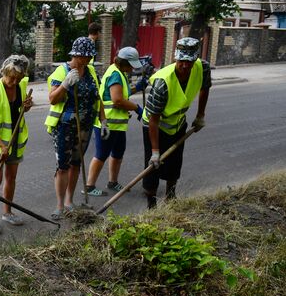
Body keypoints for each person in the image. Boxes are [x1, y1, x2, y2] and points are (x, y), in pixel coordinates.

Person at [44, 36, 109, 220]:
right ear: (76, 54)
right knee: (63, 166)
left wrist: (103, 121)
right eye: (85, 56)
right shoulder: (61, 71)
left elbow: (98, 98)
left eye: (90, 57)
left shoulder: (91, 73)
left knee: (76, 164)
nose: (88, 60)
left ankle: (69, 201)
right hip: (65, 127)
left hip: (85, 126)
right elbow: (52, 99)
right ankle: (59, 205)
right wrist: (65, 84)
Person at [142, 37, 211, 208]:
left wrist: (200, 114)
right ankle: (151, 205)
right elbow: (153, 120)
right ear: (176, 58)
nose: (185, 65)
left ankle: (171, 199)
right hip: (155, 127)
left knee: (175, 163)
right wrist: (156, 151)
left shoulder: (203, 68)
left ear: (195, 59)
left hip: (179, 124)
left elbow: (205, 88)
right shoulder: (162, 83)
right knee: (153, 167)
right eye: (182, 60)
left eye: (189, 60)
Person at [84, 46, 147, 196]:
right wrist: (137, 108)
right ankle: (89, 186)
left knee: (118, 153)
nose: (132, 68)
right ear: (123, 62)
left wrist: (137, 88)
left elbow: (122, 93)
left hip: (117, 125)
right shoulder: (115, 75)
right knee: (102, 154)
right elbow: (118, 100)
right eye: (130, 65)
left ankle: (113, 182)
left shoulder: (120, 72)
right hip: (107, 123)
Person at [0, 55, 33, 234]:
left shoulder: (21, 85)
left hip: (16, 140)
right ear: (4, 72)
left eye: (18, 79)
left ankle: (7, 212)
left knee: (11, 178)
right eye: (11, 77)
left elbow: (20, 110)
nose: (14, 82)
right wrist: (2, 145)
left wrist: (27, 106)